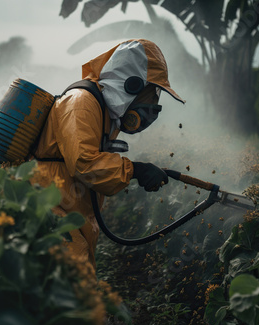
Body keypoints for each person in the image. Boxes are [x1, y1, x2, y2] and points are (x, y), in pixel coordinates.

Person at [33, 39, 185, 269]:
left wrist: (137, 170)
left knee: (75, 287)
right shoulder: (81, 103)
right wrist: (135, 170)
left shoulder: (106, 112)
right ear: (132, 84)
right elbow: (84, 163)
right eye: (152, 92)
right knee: (73, 286)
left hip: (70, 208)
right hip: (48, 205)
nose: (153, 103)